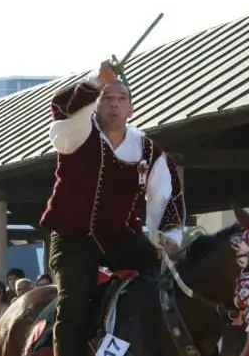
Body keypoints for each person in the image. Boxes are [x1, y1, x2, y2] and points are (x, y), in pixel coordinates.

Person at [39, 58, 186, 356]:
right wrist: (96, 80)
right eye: (108, 98)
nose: (114, 104)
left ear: (131, 109)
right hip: (72, 237)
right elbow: (62, 107)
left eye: (122, 99)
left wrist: (170, 240)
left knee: (163, 282)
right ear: (96, 103)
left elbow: (166, 197)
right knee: (74, 304)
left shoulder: (147, 149)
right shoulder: (78, 132)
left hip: (120, 237)